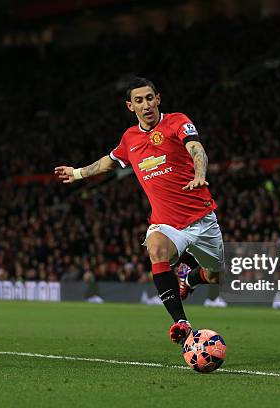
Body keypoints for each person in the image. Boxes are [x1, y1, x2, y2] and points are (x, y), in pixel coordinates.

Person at [54, 77, 224, 344]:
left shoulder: (177, 121)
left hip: (202, 220)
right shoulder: (130, 138)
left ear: (158, 99)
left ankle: (191, 278)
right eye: (138, 100)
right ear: (130, 106)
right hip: (166, 224)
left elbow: (196, 148)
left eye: (149, 98)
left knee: (215, 276)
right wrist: (77, 173)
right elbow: (108, 162)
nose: (145, 105)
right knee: (156, 250)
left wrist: (200, 174)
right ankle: (181, 324)